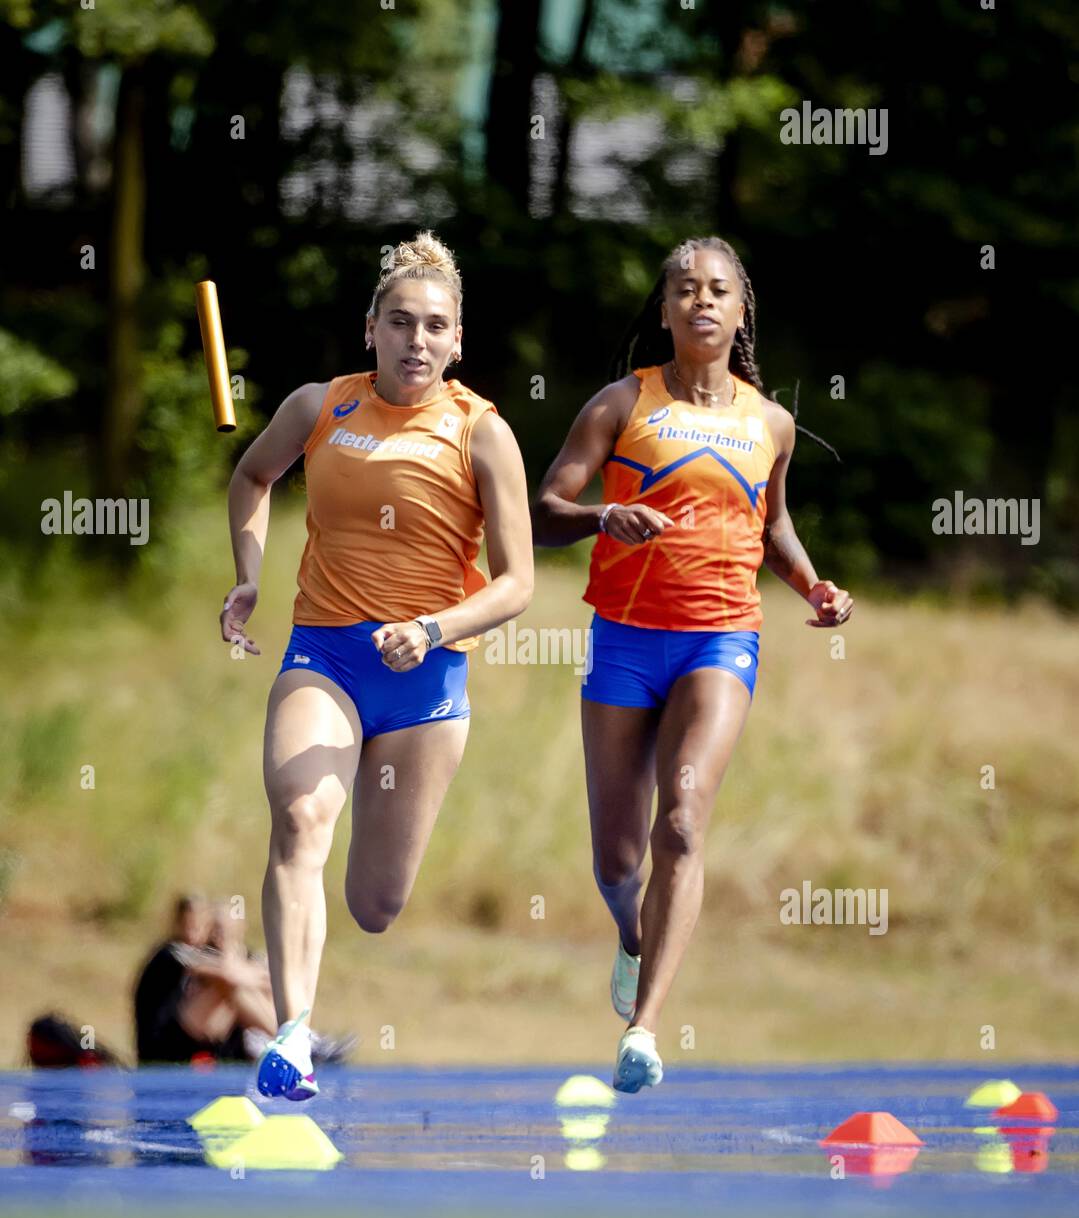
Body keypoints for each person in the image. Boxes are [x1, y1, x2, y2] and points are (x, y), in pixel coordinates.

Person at [532, 235, 853, 1093]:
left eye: (718, 290)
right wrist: (604, 518)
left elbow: (772, 525)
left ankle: (642, 1031)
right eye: (684, 290)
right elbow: (542, 512)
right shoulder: (618, 404)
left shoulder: (769, 422)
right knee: (614, 860)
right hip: (625, 641)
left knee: (680, 817)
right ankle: (633, 940)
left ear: (740, 311)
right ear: (665, 310)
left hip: (721, 638)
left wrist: (813, 586)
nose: (701, 301)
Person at [220, 231, 534, 1101]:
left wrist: (434, 629)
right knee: (300, 820)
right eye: (400, 322)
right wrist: (248, 578)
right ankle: (289, 1036)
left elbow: (517, 585)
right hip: (324, 654)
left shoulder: (482, 433)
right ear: (370, 328)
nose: (416, 341)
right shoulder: (320, 406)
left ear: (457, 339)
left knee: (374, 904)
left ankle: (315, 989)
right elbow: (252, 478)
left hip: (427, 682)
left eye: (435, 326)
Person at [134, 894, 276, 1063]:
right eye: (189, 926)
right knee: (228, 986)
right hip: (164, 1042)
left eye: (198, 927)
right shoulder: (173, 952)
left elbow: (255, 975)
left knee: (236, 987)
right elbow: (227, 974)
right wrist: (256, 975)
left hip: (209, 1037)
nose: (193, 934)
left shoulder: (240, 957)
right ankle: (285, 1035)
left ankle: (288, 1037)